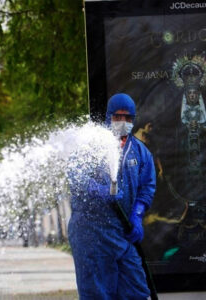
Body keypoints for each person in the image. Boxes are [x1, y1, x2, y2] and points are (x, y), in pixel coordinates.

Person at [68, 93, 156, 299]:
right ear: (109, 116)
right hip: (92, 234)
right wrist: (99, 190)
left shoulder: (141, 152)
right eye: (118, 117)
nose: (123, 122)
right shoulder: (90, 146)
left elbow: (147, 186)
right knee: (98, 293)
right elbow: (76, 176)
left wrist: (137, 215)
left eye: (128, 118)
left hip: (123, 234)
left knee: (137, 291)